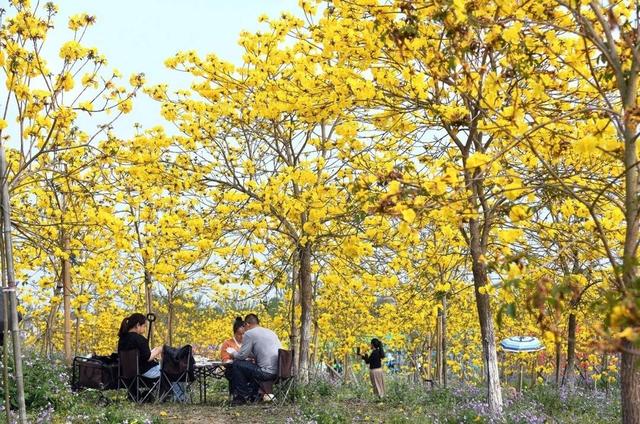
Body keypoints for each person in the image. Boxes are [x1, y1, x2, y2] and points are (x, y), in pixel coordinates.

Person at [226, 313, 281, 404]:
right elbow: (261, 352)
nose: (244, 330)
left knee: (237, 364)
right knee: (249, 366)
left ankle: (242, 397)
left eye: (244, 326)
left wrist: (233, 354)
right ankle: (253, 395)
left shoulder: (249, 333)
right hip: (279, 372)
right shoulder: (271, 332)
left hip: (266, 373)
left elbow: (241, 356)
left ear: (247, 324)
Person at [117, 313, 163, 379]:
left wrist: (154, 351)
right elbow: (147, 358)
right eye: (144, 326)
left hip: (127, 373)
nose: (144, 329)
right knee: (171, 370)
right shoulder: (140, 339)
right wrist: (159, 350)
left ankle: (164, 389)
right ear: (138, 325)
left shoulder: (122, 339)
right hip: (145, 372)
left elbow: (140, 356)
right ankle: (173, 390)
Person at [220, 317, 246, 397]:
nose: (241, 336)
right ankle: (237, 395)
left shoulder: (247, 343)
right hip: (232, 369)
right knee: (235, 372)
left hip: (246, 368)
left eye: (243, 334)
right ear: (234, 333)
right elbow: (225, 360)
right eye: (239, 334)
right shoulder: (227, 343)